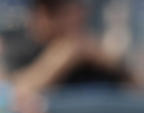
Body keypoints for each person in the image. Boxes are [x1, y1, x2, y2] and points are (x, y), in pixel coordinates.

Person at [6, 0, 136, 93]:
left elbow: (143, 91)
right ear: (42, 14)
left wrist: (116, 64)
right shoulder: (17, 47)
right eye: (66, 12)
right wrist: (64, 55)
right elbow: (15, 94)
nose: (78, 17)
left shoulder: (94, 52)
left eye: (79, 9)